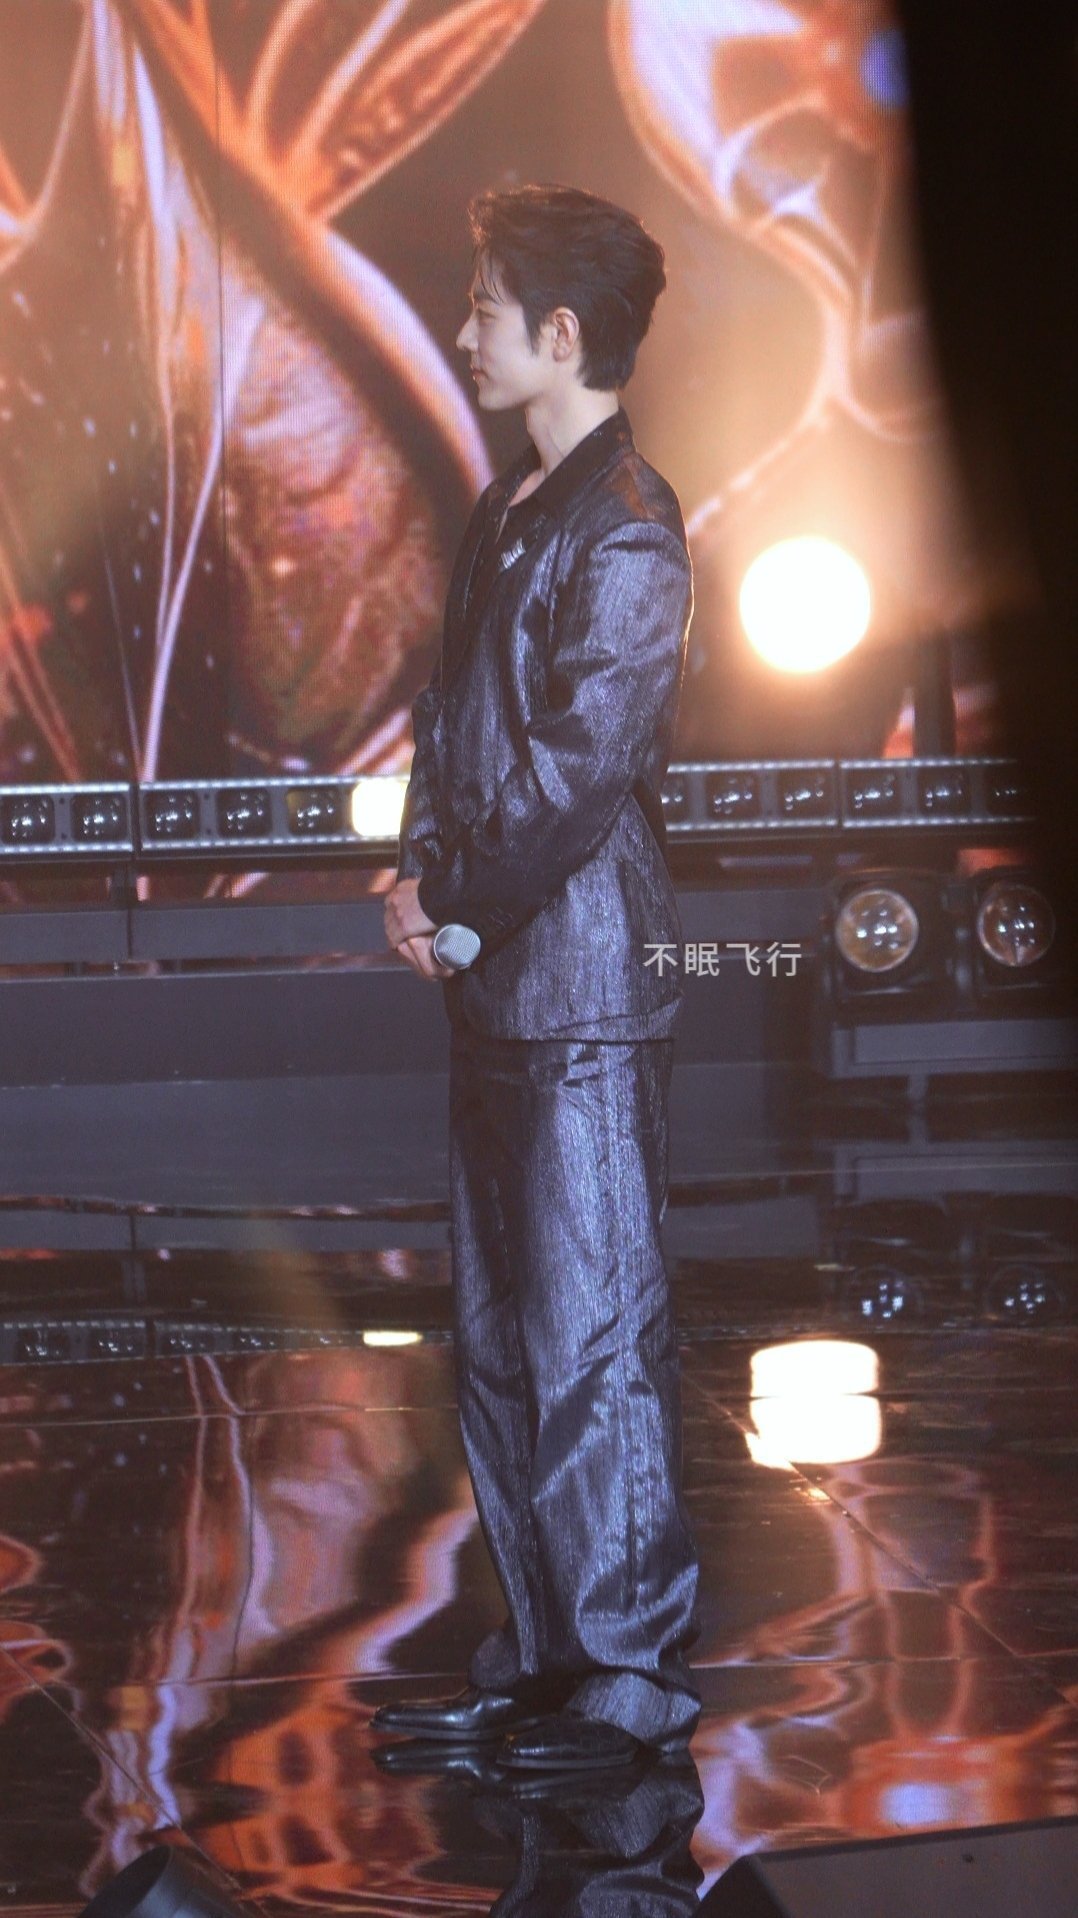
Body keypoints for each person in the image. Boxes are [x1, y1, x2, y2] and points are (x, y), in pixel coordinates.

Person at [377, 183, 701, 1772]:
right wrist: (418, 873)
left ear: (560, 333)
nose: (464, 332)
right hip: (492, 977)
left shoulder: (626, 519)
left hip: (577, 988)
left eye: (484, 307)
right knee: (503, 1345)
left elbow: (580, 768)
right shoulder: (510, 508)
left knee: (595, 1341)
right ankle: (545, 1658)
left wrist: (448, 896)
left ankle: (629, 1681)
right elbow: (450, 723)